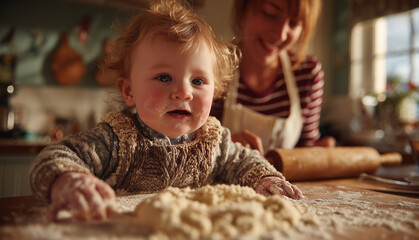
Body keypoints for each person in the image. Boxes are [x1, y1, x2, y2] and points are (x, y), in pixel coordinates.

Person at [29, 0, 302, 223]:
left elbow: (247, 162)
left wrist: (265, 178)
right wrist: (68, 180)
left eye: (198, 81)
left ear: (215, 90)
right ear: (129, 92)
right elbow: (54, 156)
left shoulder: (214, 141)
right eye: (163, 77)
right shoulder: (116, 140)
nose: (183, 92)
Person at [211, 0, 335, 155]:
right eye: (270, 14)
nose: (281, 35)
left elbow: (305, 148)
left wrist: (318, 152)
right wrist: (222, 148)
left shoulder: (307, 73)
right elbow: (188, 148)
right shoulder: (212, 68)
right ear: (243, 9)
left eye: (294, 23)